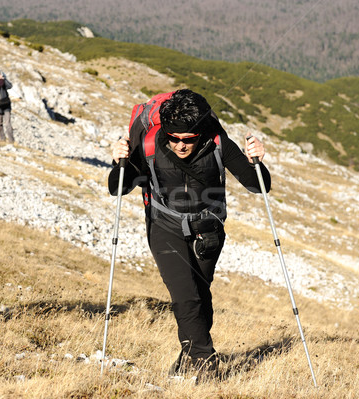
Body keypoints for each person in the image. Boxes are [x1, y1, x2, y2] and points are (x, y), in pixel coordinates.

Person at [108, 89, 271, 380]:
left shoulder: (218, 142)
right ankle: (206, 364)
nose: (181, 146)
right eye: (174, 138)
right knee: (186, 298)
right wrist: (118, 161)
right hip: (164, 226)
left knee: (200, 299)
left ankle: (187, 359)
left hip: (208, 230)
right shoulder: (148, 144)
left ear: (200, 133)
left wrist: (256, 161)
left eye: (189, 140)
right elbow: (118, 188)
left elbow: (258, 186)